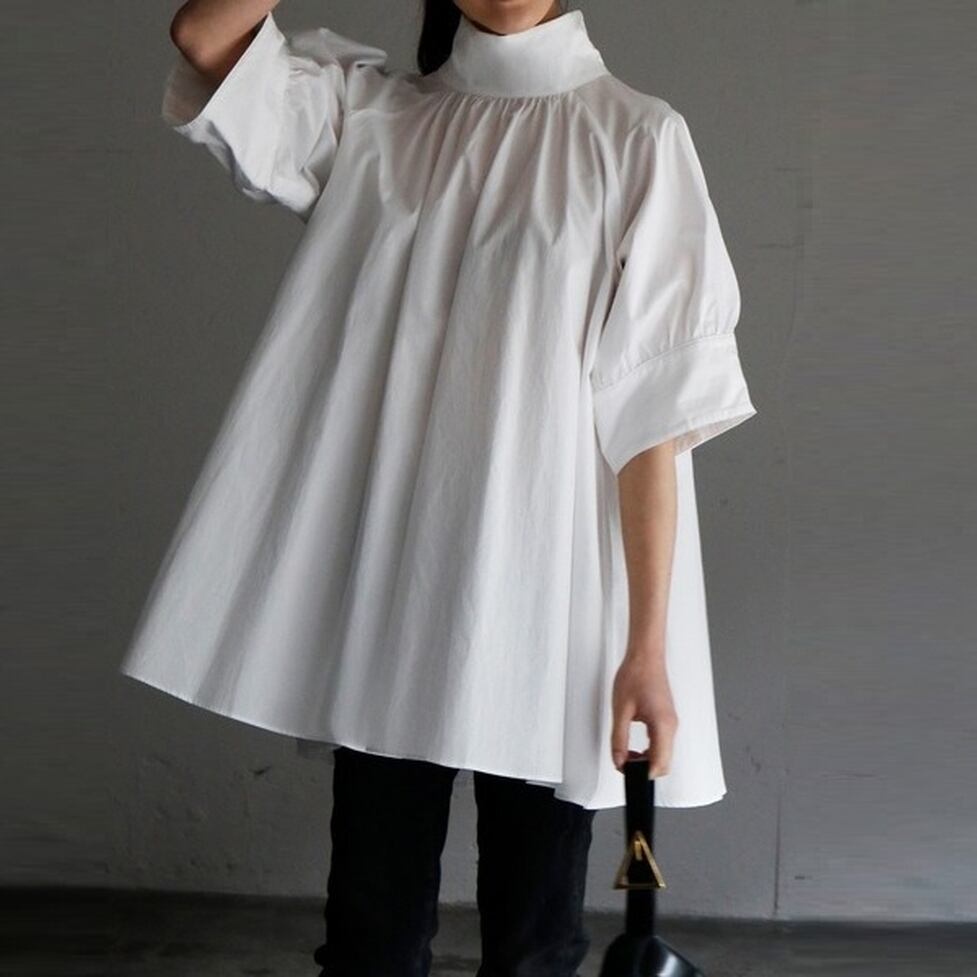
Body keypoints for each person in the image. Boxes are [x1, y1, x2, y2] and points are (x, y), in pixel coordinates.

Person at [121, 0, 758, 973]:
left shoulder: (633, 137)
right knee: (370, 941)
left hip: (551, 596)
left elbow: (652, 422)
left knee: (534, 946)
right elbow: (207, 36)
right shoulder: (376, 118)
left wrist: (645, 647)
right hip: (395, 580)